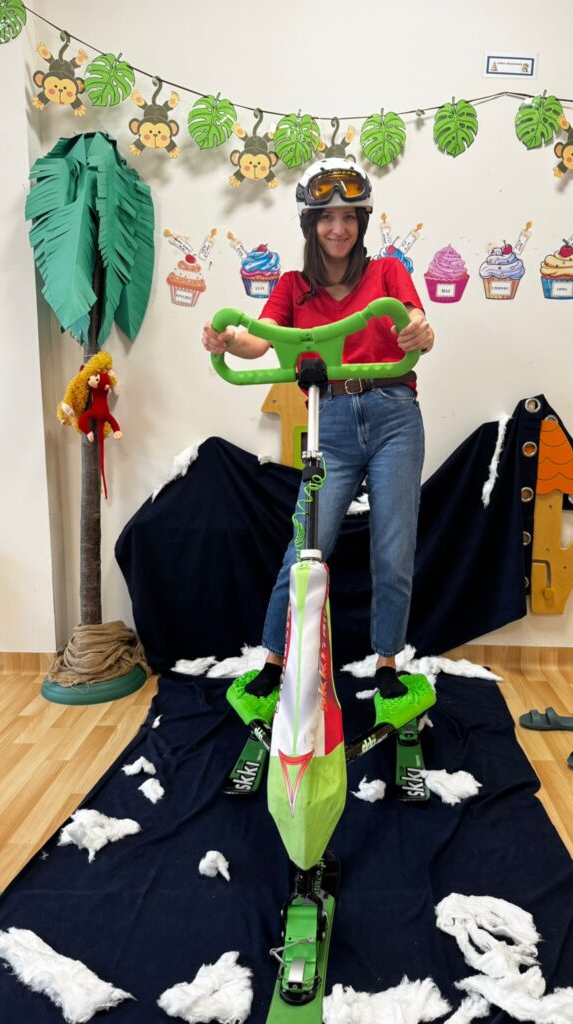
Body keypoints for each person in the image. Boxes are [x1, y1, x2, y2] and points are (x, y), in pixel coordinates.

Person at [202, 158, 434, 700]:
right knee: (306, 548)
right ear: (310, 223)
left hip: (394, 415)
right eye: (326, 216)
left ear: (362, 222)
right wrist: (226, 340)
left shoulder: (387, 273)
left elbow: (418, 324)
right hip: (329, 418)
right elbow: (257, 339)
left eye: (349, 216)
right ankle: (273, 660)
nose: (338, 227)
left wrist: (420, 332)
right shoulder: (292, 286)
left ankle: (387, 662)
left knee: (393, 550)